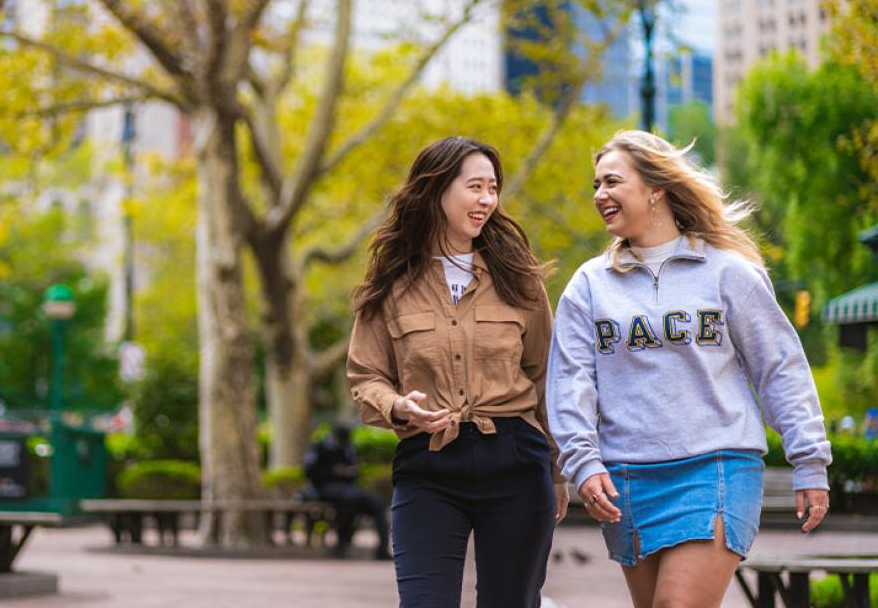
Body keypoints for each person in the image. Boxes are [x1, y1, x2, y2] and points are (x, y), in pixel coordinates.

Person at [547, 130, 832, 608]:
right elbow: (570, 383)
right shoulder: (589, 286)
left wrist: (810, 460)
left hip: (715, 467)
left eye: (612, 181)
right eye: (595, 185)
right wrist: (583, 461)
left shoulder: (727, 272)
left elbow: (779, 367)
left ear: (655, 187)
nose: (599, 195)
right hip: (627, 479)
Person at [347, 136, 568, 608]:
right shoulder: (389, 283)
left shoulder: (518, 278)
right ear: (437, 190)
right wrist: (398, 406)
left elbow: (547, 376)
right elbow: (365, 377)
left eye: (493, 188)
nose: (487, 199)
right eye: (475, 187)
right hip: (428, 465)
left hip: (516, 462)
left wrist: (558, 471)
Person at [303, 422, 391, 560]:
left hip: (350, 488)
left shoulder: (347, 447)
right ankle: (342, 543)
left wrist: (351, 471)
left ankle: (382, 550)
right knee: (350, 500)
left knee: (377, 503)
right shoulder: (319, 448)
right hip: (326, 487)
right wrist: (334, 471)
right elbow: (309, 472)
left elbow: (355, 468)